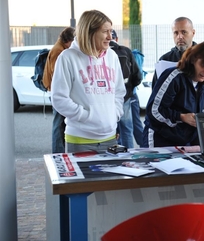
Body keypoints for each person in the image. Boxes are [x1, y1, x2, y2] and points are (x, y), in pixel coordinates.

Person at [51, 10, 126, 153]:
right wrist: (86, 116)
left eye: (111, 31)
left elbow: (119, 91)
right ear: (89, 33)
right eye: (105, 32)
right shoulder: (67, 57)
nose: (110, 37)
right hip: (80, 140)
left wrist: (114, 114)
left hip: (110, 138)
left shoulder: (112, 56)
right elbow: (59, 98)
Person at [143, 42, 204, 148]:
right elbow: (154, 110)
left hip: (185, 142)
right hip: (160, 139)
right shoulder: (174, 76)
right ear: (194, 59)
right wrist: (181, 117)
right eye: (203, 65)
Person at [42, 26, 75, 153]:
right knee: (59, 125)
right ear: (68, 40)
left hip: (55, 90)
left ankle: (59, 152)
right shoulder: (58, 51)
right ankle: (58, 153)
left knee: (60, 124)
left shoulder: (60, 48)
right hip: (57, 92)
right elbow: (58, 75)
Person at [110, 30, 142, 148]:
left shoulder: (102, 52)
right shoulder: (126, 51)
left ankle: (112, 155)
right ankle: (129, 155)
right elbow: (137, 76)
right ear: (117, 39)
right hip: (125, 97)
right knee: (127, 128)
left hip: (106, 97)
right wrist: (129, 90)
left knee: (110, 130)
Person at [152, 17, 197, 89]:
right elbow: (156, 89)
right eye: (176, 33)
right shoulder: (165, 60)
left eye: (184, 32)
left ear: (193, 33)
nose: (180, 37)